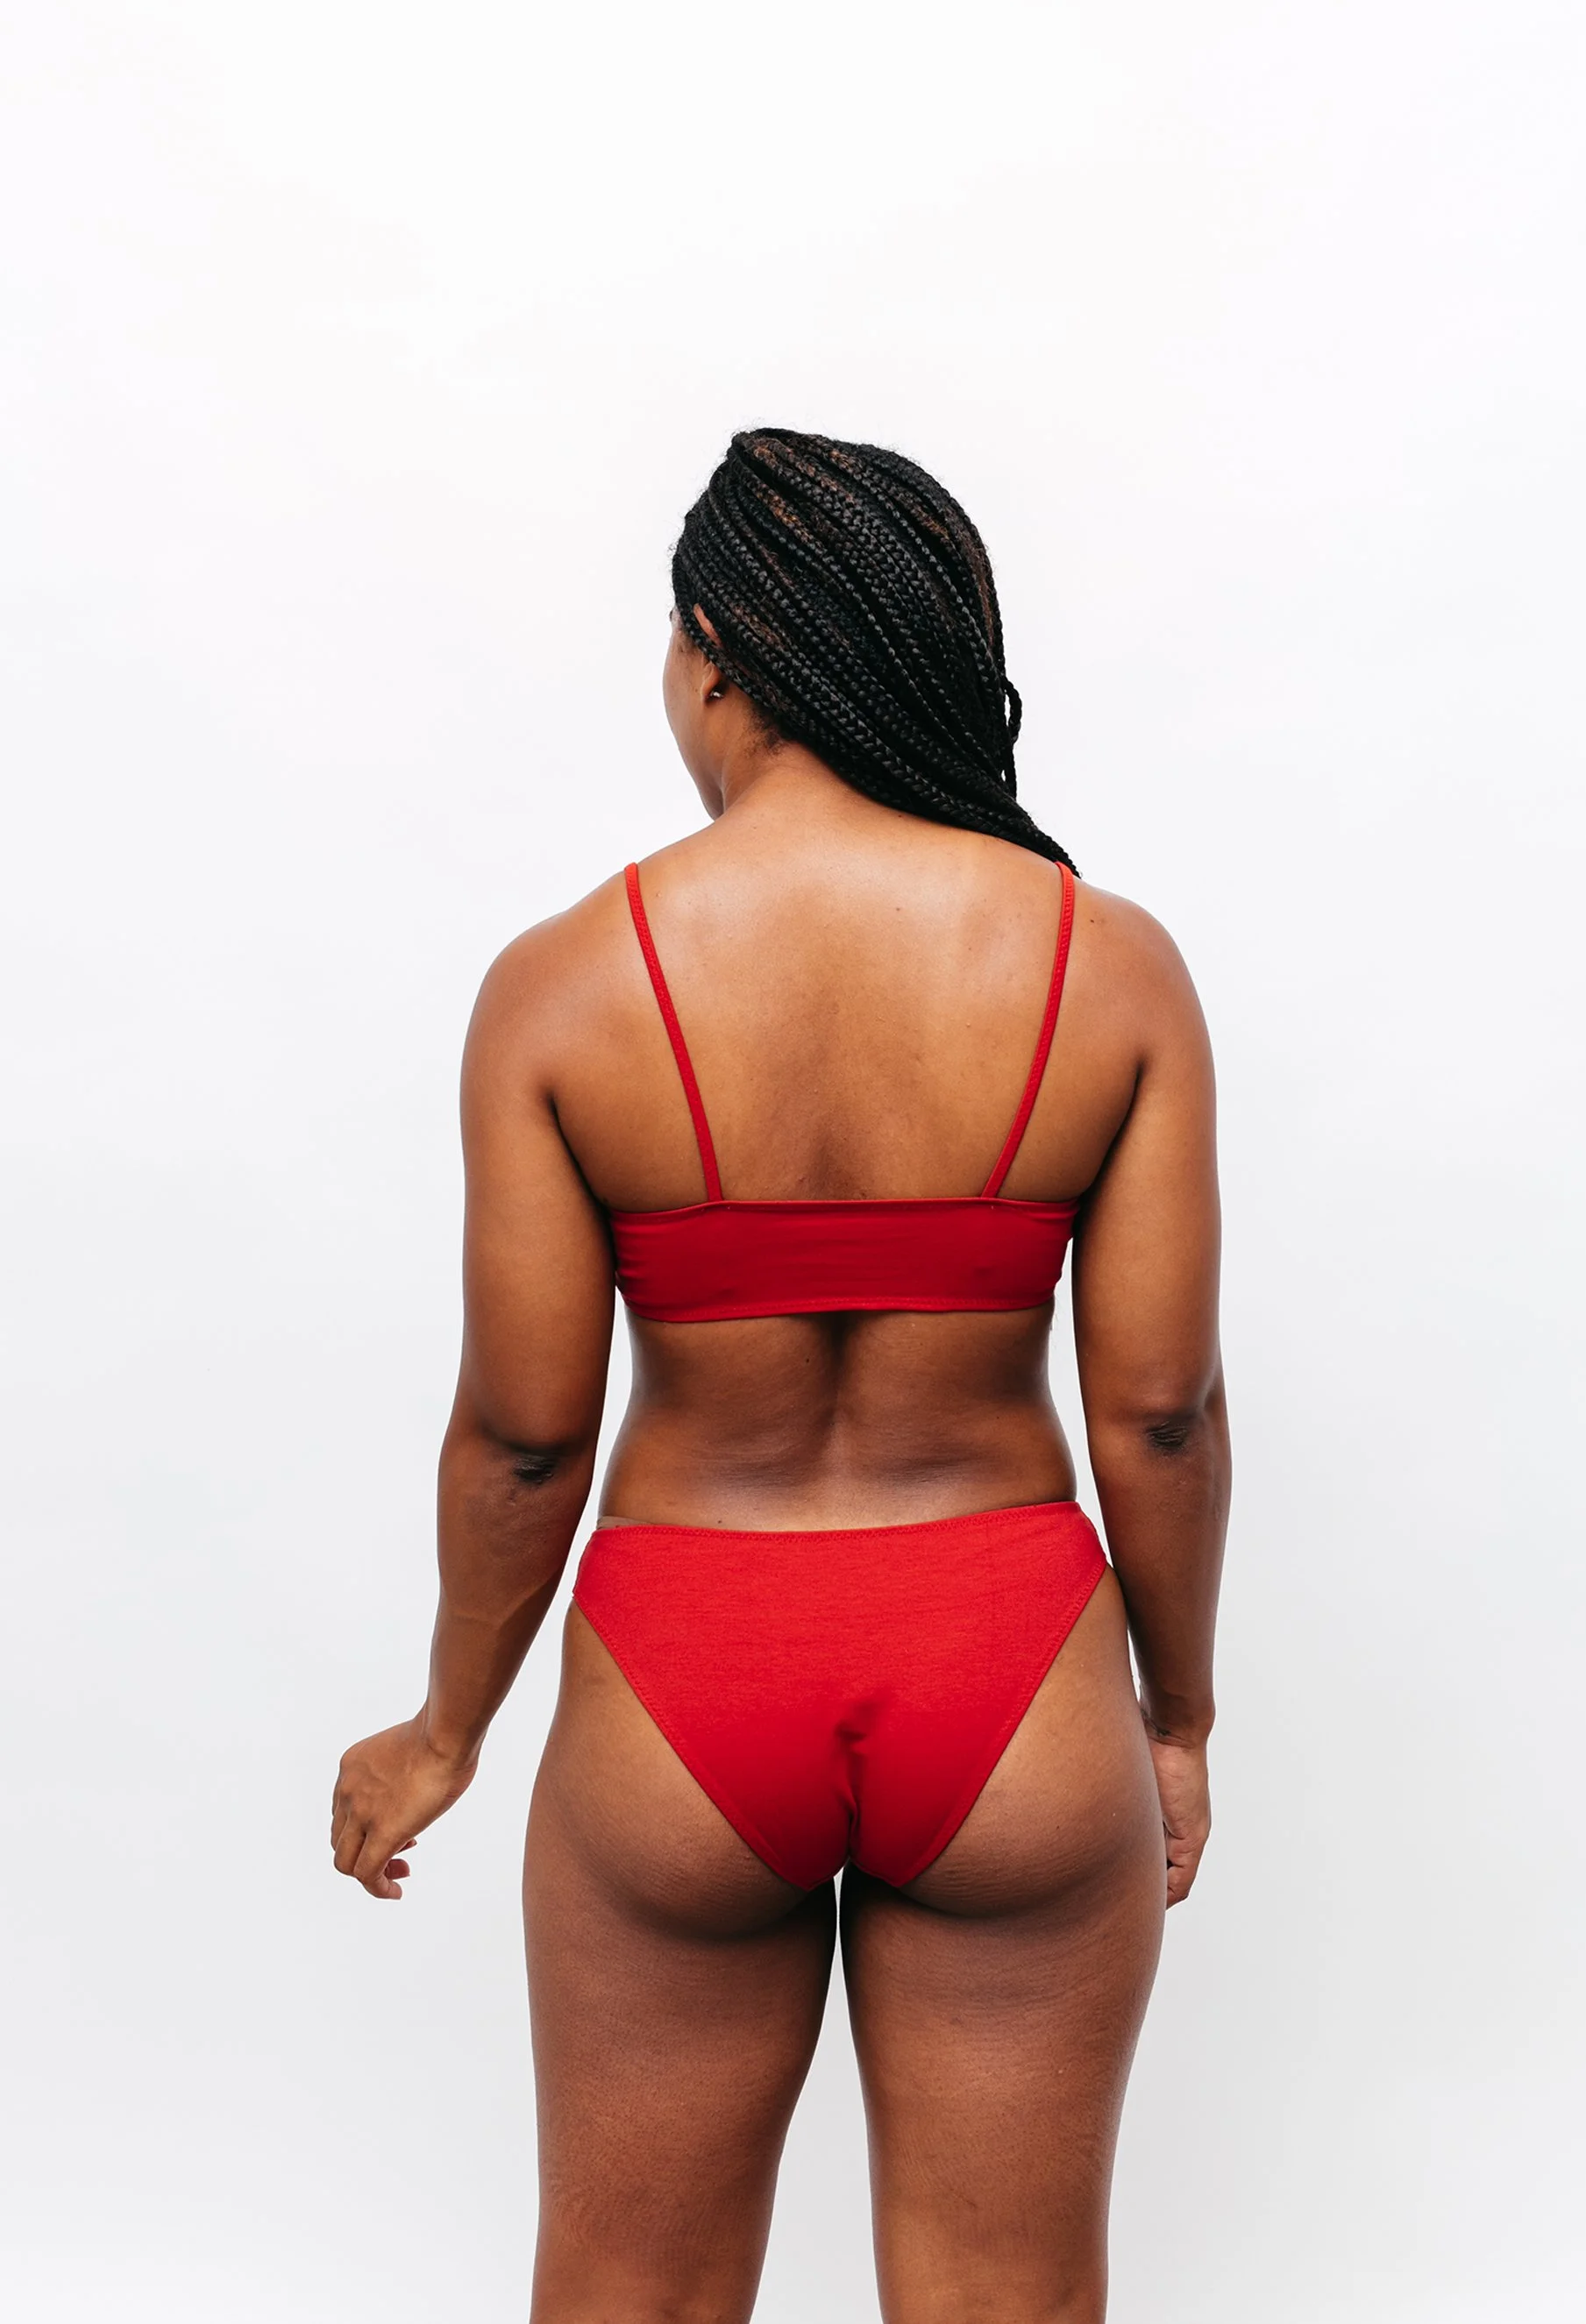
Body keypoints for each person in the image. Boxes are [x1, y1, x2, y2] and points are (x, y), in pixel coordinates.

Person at [331, 429, 1229, 2323]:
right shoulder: (1109, 966)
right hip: (1005, 1657)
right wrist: (1176, 1713)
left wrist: (445, 1728)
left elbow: (524, 1437)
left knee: (630, 2293)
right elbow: (1159, 1412)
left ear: (715, 655)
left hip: (686, 1667)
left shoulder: (563, 983)